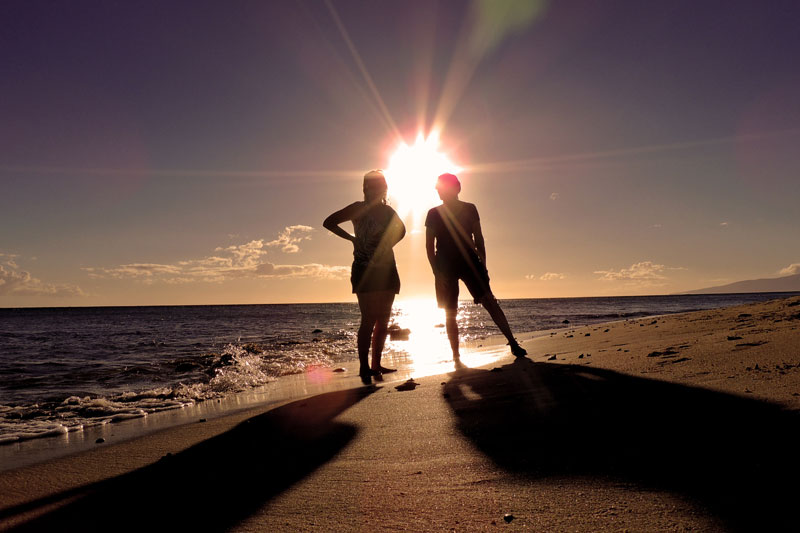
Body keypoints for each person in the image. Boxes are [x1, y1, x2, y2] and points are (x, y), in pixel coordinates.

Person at [425, 172, 527, 360]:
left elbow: (479, 238)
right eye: (438, 188)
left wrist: (483, 266)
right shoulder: (433, 213)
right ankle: (456, 356)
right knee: (450, 312)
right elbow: (429, 246)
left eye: (441, 188)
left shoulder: (470, 208)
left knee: (490, 301)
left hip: (470, 261)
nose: (438, 191)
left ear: (456, 188)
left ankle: (513, 343)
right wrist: (436, 273)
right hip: (445, 265)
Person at [324, 170, 406, 380]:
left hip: (387, 269)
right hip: (364, 269)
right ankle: (363, 366)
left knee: (384, 319)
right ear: (366, 187)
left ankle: (376, 364)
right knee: (368, 319)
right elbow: (329, 222)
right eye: (373, 185)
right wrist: (352, 239)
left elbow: (402, 230)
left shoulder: (387, 211)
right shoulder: (357, 208)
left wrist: (388, 244)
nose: (378, 189)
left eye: (381, 185)